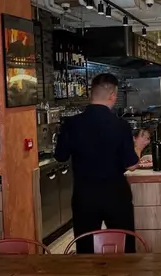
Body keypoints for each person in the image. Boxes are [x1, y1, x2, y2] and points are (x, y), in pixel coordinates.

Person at [55, 73, 150, 253]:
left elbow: (60, 156)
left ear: (91, 94)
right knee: (125, 248)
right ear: (113, 96)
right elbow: (131, 165)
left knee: (85, 249)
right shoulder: (120, 125)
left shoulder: (71, 124)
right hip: (116, 195)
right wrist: (138, 146)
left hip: (84, 196)